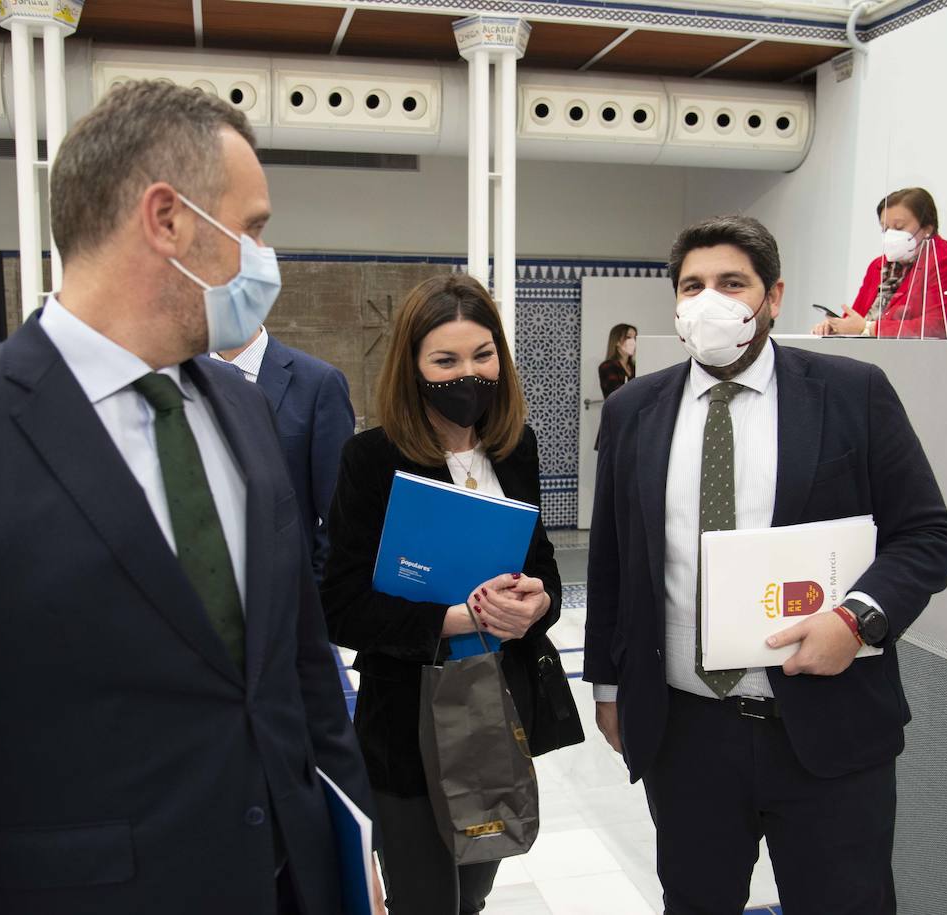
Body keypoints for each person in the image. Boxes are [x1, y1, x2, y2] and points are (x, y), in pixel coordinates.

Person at [0, 81, 376, 915]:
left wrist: (354, 851)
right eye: (251, 228)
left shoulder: (240, 407)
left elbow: (298, 671)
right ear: (168, 219)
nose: (262, 257)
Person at [585, 215, 947, 914]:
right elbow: (612, 558)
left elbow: (927, 534)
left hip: (828, 726)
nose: (711, 301)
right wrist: (609, 686)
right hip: (688, 731)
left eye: (733, 282)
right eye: (693, 285)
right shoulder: (635, 409)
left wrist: (857, 620)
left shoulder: (853, 393)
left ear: (774, 295)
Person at [320, 273, 563, 915]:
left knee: (475, 890)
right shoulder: (371, 460)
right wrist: (456, 617)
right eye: (446, 361)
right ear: (415, 367)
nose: (469, 375)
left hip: (494, 712)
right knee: (426, 900)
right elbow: (339, 604)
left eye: (483, 356)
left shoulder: (516, 449)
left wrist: (536, 605)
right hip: (407, 724)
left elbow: (543, 569)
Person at [211, 325, 355, 580]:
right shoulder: (174, 378)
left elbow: (339, 513)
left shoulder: (319, 382)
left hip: (285, 592)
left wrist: (314, 594)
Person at [812, 187, 947, 339]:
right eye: (885, 229)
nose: (890, 235)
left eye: (898, 227)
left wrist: (869, 328)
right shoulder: (879, 266)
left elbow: (937, 327)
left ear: (927, 228)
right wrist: (837, 326)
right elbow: (857, 319)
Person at [598, 323, 638, 397]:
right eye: (628, 337)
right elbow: (616, 394)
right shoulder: (607, 367)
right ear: (617, 341)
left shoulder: (634, 367)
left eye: (635, 338)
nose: (633, 342)